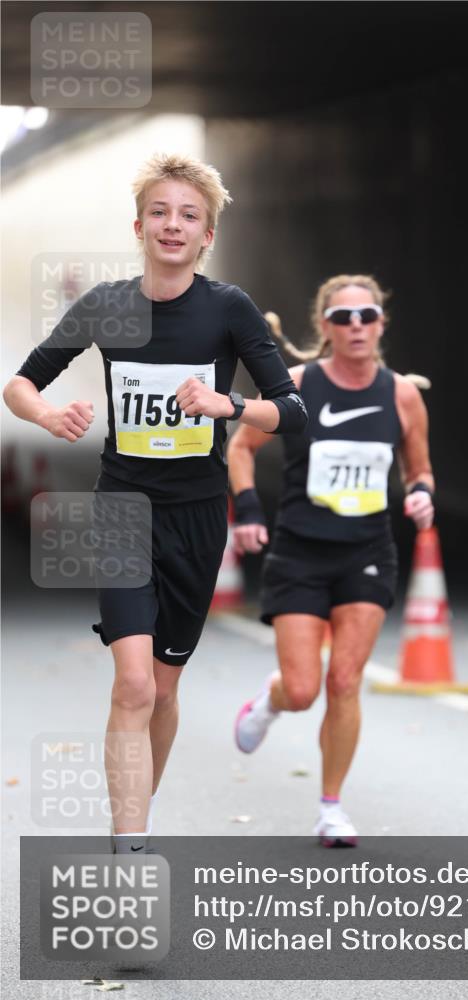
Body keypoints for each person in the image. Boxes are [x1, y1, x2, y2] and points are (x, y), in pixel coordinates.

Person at [3, 153, 307, 853]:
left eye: (189, 216)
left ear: (206, 236)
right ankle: (130, 846)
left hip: (198, 521)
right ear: (139, 225)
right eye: (161, 212)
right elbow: (20, 385)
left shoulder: (227, 308)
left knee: (165, 692)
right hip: (122, 511)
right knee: (133, 685)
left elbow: (291, 412)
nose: (173, 225)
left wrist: (226, 403)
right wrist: (47, 417)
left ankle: (135, 808)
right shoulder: (108, 304)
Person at [228, 274, 434, 846]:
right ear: (325, 328)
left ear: (381, 323)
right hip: (299, 553)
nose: (356, 326)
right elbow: (240, 447)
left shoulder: (402, 395)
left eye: (366, 315)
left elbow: (418, 469)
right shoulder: (297, 386)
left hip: (367, 554)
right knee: (302, 689)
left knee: (344, 679)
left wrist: (422, 494)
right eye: (343, 318)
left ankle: (331, 808)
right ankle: (269, 702)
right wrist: (247, 508)